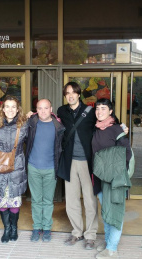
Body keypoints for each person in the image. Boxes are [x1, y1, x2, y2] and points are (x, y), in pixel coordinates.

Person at [57, 82, 98, 250]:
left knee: (90, 200)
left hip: (87, 162)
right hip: (69, 161)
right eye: (67, 93)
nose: (71, 95)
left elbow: (107, 121)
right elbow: (48, 117)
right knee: (72, 199)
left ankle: (91, 235)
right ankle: (77, 232)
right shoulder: (61, 111)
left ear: (79, 94)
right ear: (65, 96)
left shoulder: (90, 111)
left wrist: (120, 127)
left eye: (73, 92)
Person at [92, 98, 132, 259]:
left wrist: (114, 172)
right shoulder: (97, 129)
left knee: (115, 212)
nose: (100, 111)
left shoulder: (116, 130)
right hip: (100, 179)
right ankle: (109, 241)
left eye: (103, 108)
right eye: (97, 109)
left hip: (114, 180)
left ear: (110, 111)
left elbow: (126, 153)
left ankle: (112, 248)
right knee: (106, 211)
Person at [0, 95, 28, 243]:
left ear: (18, 109)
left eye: (13, 107)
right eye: (7, 106)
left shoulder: (24, 124)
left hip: (16, 167)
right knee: (2, 201)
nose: (10, 110)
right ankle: (7, 229)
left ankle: (14, 228)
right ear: (2, 109)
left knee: (14, 201)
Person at [26, 99, 65, 242]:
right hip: (33, 167)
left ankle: (47, 228)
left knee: (48, 201)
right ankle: (37, 227)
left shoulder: (58, 126)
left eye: (46, 108)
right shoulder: (31, 123)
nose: (43, 111)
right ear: (36, 109)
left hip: (50, 169)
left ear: (51, 109)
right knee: (36, 200)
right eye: (40, 108)